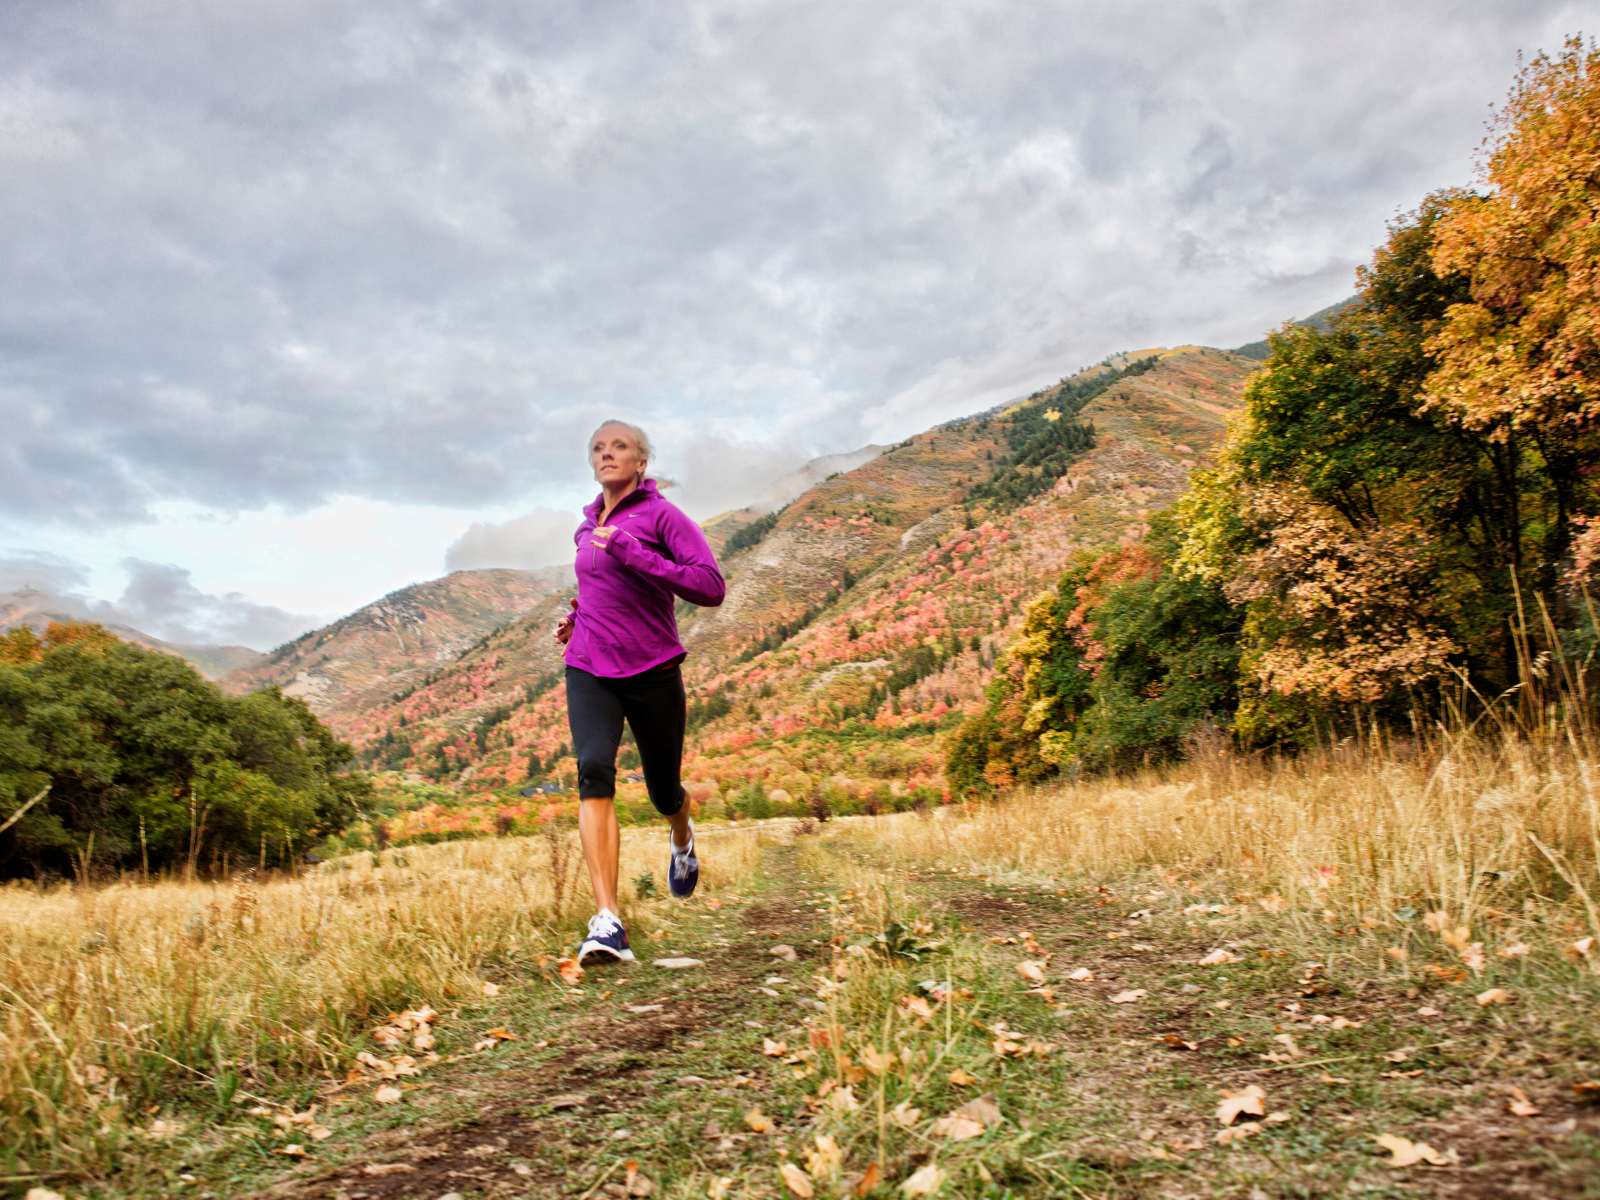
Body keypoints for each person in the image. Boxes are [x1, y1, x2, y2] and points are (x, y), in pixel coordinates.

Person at [554, 420, 726, 964]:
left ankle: (682, 835)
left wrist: (636, 553)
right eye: (599, 448)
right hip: (589, 666)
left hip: (651, 669)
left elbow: (710, 586)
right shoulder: (585, 527)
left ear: (641, 462)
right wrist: (576, 617)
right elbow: (599, 590)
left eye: (619, 447)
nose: (608, 454)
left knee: (662, 791)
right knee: (594, 770)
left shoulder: (661, 517)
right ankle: (607, 921)